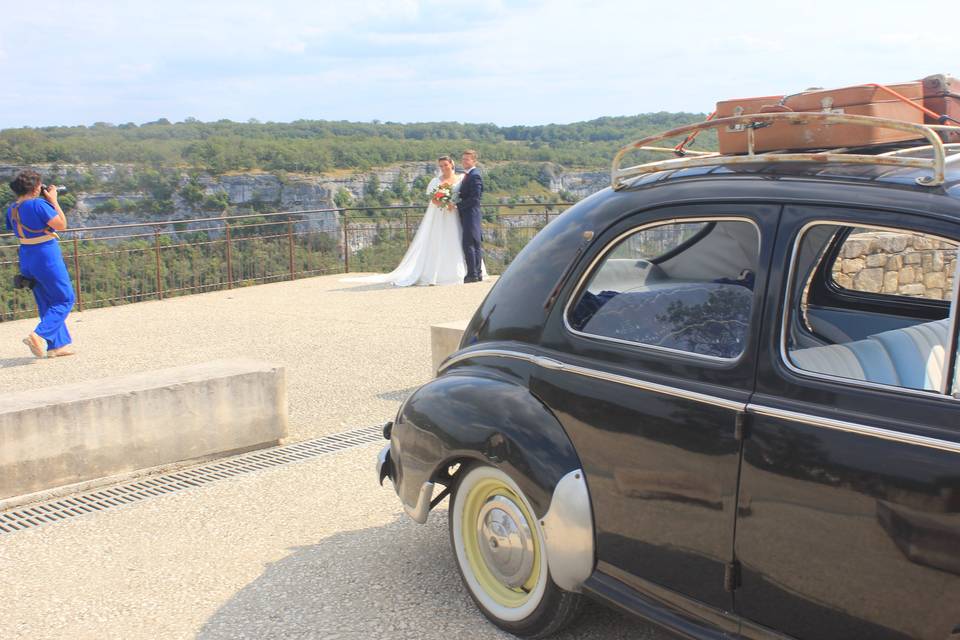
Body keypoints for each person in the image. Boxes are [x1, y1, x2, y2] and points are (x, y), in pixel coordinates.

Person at [343, 156, 483, 286]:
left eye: (445, 164)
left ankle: (467, 272)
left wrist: (454, 205)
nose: (443, 167)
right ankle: (438, 273)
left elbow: (466, 195)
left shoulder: (461, 178)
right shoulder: (436, 181)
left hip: (455, 214)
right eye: (441, 165)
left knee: (457, 241)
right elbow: (434, 199)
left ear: (452, 164)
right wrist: (444, 204)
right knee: (439, 241)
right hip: (441, 215)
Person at [5, 170, 76, 358]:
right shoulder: (38, 204)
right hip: (45, 254)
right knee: (64, 298)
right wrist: (53, 200)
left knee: (45, 299)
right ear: (36, 187)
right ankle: (39, 335)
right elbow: (61, 225)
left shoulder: (12, 208)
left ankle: (57, 345)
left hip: (26, 256)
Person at [457, 149, 484, 283]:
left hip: (471, 214)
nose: (464, 161)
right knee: (474, 244)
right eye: (463, 159)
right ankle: (477, 273)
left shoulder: (475, 175)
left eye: (467, 159)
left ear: (474, 161)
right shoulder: (468, 175)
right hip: (469, 213)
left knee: (470, 244)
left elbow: (475, 198)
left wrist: (458, 206)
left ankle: (472, 274)